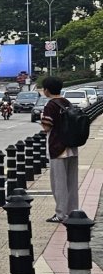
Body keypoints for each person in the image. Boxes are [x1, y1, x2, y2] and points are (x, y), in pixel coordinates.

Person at [39, 77, 79, 223]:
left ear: (47, 90)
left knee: (59, 183)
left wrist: (41, 118)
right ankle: (73, 210)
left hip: (57, 148)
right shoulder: (66, 102)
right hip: (72, 146)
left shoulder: (51, 105)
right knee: (71, 182)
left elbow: (47, 126)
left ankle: (61, 214)